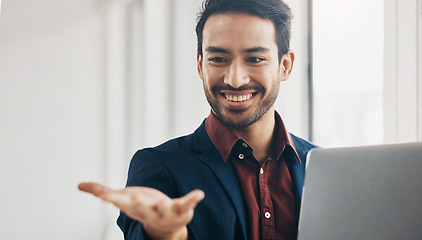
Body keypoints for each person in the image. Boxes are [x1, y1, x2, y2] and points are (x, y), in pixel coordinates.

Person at [78, 0, 318, 239]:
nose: (235, 80)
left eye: (254, 59)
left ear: (285, 66)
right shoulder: (160, 166)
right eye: (218, 59)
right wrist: (164, 232)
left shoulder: (322, 168)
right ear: (201, 65)